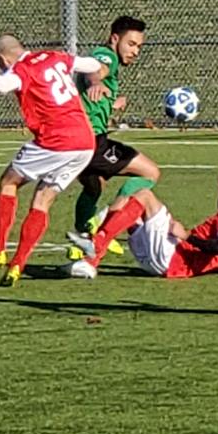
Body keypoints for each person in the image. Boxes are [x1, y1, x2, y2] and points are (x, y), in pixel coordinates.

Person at [0, 35, 105, 286]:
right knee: (42, 199)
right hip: (85, 143)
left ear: (2, 58)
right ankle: (18, 264)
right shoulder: (55, 56)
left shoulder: (22, 70)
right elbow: (93, 65)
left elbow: (2, 85)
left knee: (8, 182)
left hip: (56, 139)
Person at [69, 159, 218, 279]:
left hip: (173, 257)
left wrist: (185, 236)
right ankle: (89, 259)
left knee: (144, 195)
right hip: (164, 265)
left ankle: (95, 248)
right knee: (130, 209)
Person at [69, 15, 161, 258]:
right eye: (131, 44)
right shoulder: (106, 55)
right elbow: (96, 70)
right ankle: (104, 227)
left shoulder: (109, 60)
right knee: (150, 172)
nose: (135, 51)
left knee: (95, 186)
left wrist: (111, 102)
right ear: (114, 39)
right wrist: (95, 82)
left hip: (76, 140)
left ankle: (81, 238)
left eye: (139, 46)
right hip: (92, 141)